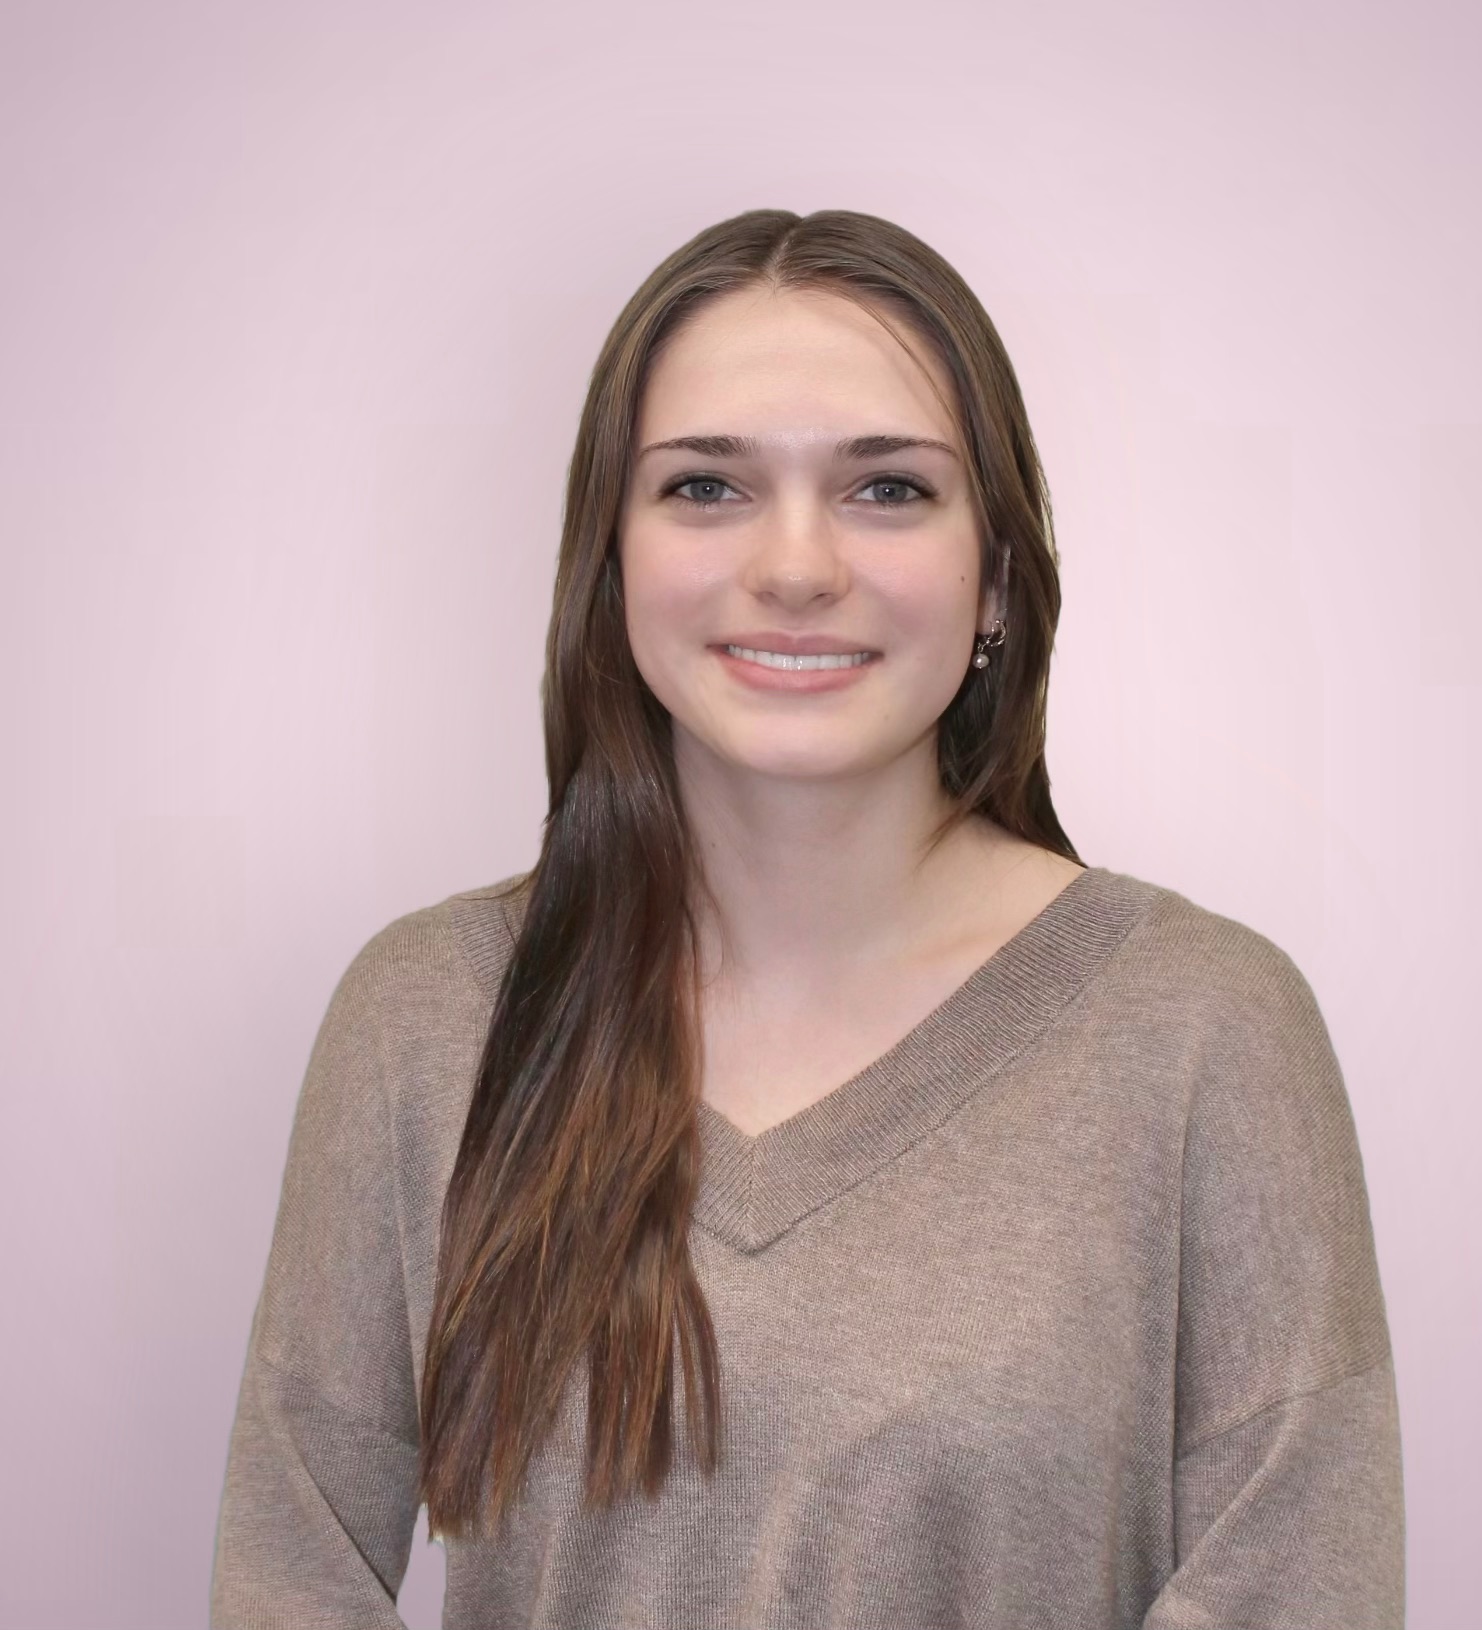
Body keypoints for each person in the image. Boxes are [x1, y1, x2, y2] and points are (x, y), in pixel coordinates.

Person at [210, 207, 1404, 1629]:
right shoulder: (426, 1020)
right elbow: (287, 1574)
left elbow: (1301, 1587)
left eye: (886, 488)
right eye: (706, 486)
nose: (793, 564)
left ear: (996, 576)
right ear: (610, 560)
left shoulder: (1208, 1033)